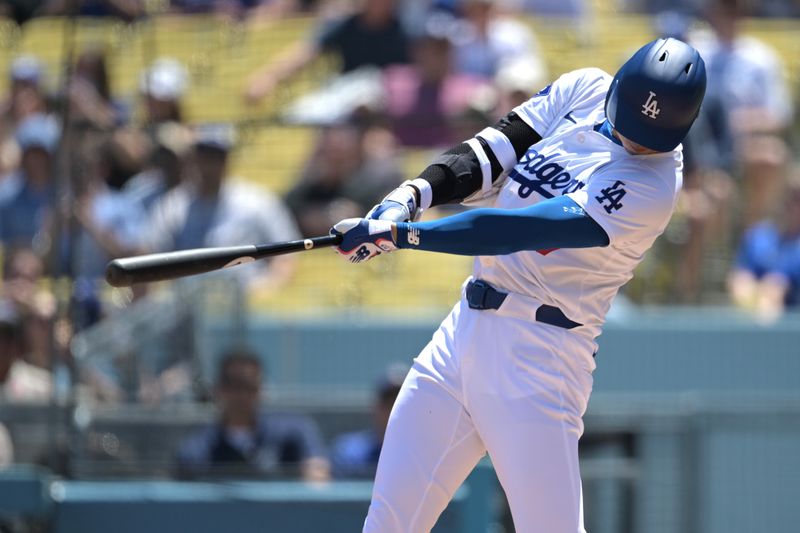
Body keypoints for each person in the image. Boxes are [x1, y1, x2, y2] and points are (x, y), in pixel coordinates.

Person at [330, 37, 706, 531]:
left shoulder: (651, 187)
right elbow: (490, 151)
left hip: (539, 356)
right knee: (390, 520)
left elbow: (519, 229)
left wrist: (403, 235)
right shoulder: (584, 89)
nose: (637, 141)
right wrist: (412, 194)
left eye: (650, 134)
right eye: (632, 124)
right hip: (462, 331)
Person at [144, 123, 300, 288]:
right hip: (188, 305)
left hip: (245, 302)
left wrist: (266, 289)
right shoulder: (172, 207)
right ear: (193, 158)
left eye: (216, 157)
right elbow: (150, 254)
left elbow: (285, 256)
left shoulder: (257, 202)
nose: (209, 165)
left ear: (226, 159)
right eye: (204, 155)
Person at [175, 348, 330, 480]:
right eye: (233, 386)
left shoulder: (295, 430)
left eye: (249, 386)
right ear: (218, 390)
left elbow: (318, 480)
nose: (241, 395)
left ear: (261, 389)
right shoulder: (197, 447)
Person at [244, 0, 409, 105]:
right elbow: (307, 51)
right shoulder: (347, 22)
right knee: (304, 113)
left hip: (391, 101)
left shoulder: (406, 29)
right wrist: (269, 78)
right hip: (345, 95)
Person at [727, 172, 800, 319]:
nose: (793, 205)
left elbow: (779, 284)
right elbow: (741, 276)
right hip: (754, 310)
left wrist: (775, 287)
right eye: (791, 197)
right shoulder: (758, 236)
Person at [330, 365, 404, 479]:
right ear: (375, 407)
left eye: (401, 404)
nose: (394, 411)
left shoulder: (424, 455)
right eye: (389, 404)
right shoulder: (348, 452)